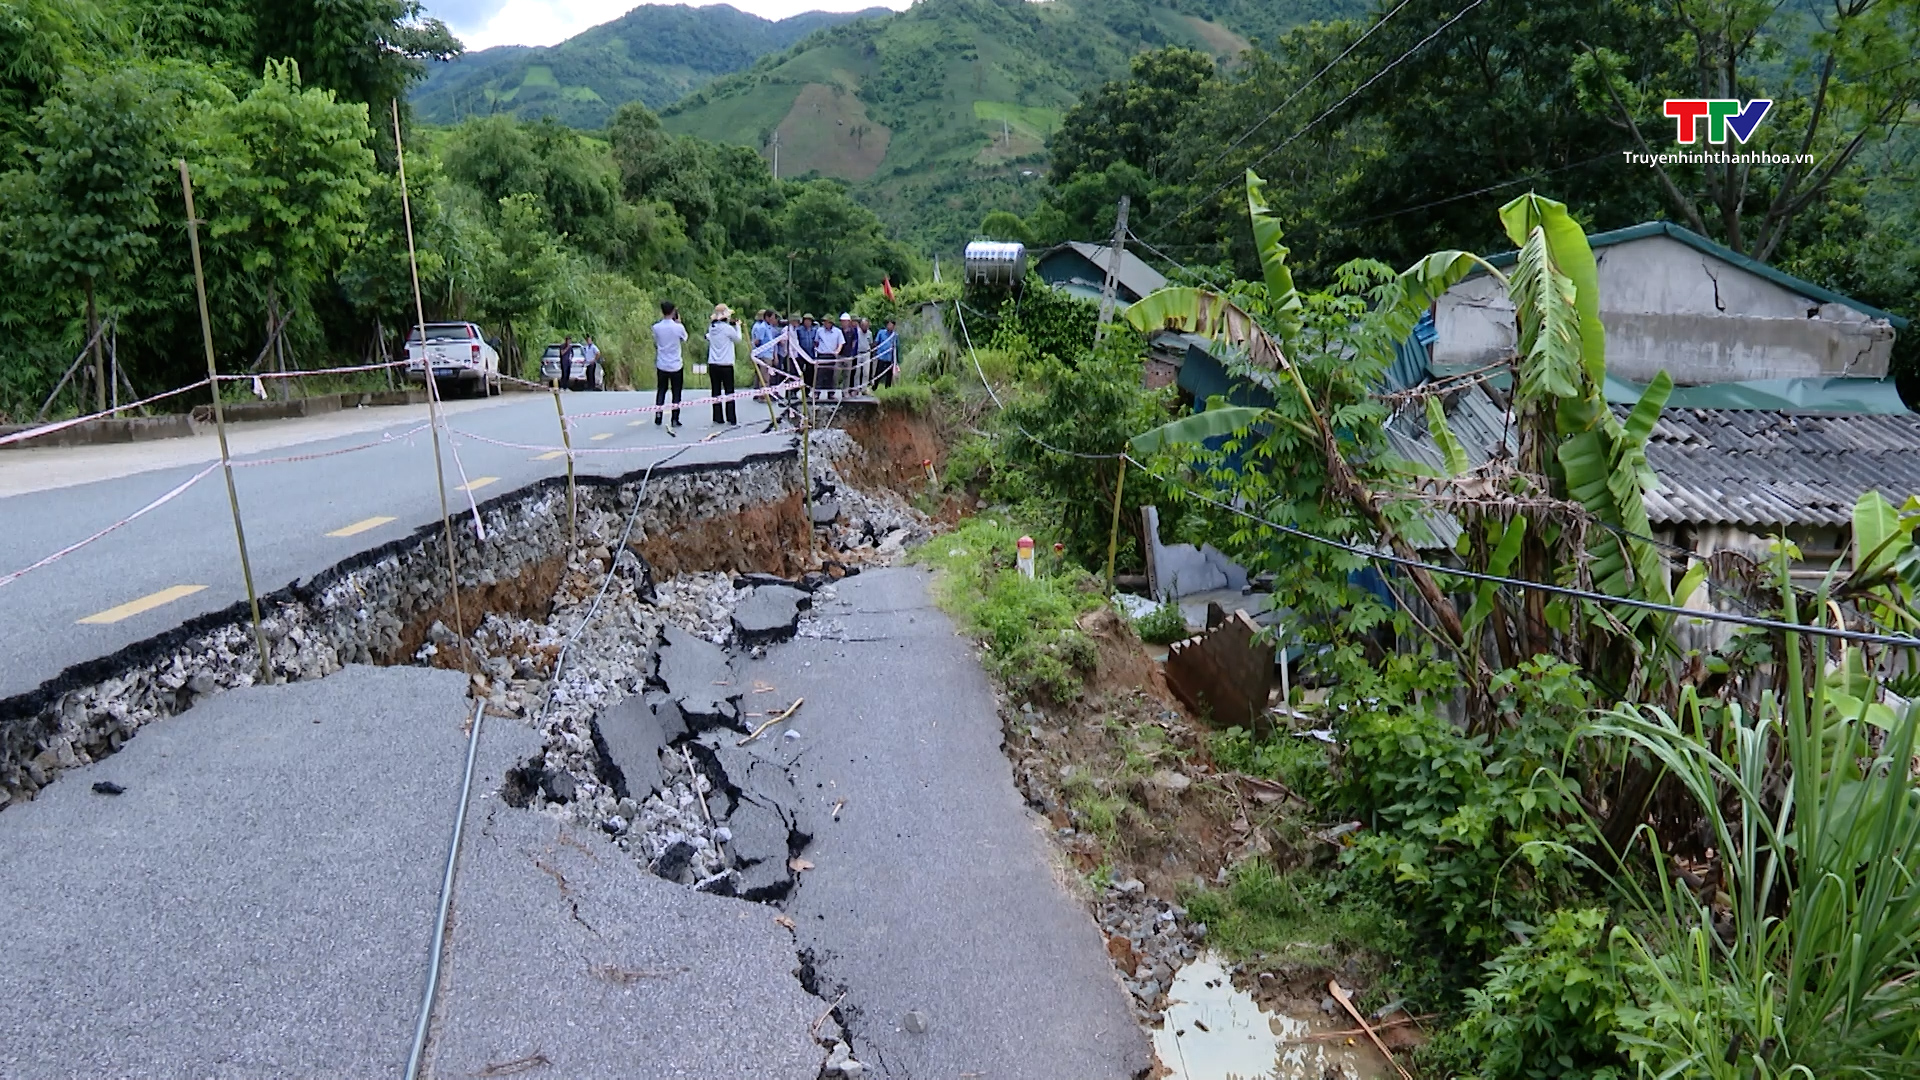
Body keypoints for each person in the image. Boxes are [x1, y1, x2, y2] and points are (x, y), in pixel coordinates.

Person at [650, 301, 687, 427]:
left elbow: (655, 342)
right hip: (676, 364)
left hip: (662, 363)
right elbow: (684, 338)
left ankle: (658, 414)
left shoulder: (656, 327)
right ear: (673, 312)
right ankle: (675, 418)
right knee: (676, 392)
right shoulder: (678, 327)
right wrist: (679, 322)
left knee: (661, 390)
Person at [706, 303, 742, 425]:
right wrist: (738, 326)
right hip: (726, 363)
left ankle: (717, 417)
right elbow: (738, 339)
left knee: (716, 391)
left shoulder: (712, 328)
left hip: (713, 363)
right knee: (729, 391)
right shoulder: (727, 329)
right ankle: (731, 418)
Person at [873, 318, 898, 388]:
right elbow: (876, 342)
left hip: (890, 358)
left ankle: (888, 387)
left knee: (889, 374)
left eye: (891, 325)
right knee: (878, 372)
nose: (889, 326)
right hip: (881, 356)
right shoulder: (881, 332)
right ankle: (875, 386)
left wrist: (896, 360)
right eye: (888, 325)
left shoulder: (895, 335)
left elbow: (896, 347)